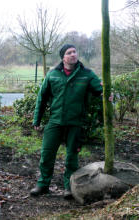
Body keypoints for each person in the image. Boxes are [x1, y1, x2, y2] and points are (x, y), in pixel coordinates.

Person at [30, 44, 103, 199]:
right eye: (69, 53)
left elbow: (99, 91)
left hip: (75, 123)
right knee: (47, 154)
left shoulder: (87, 74)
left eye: (75, 52)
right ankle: (43, 185)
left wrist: (106, 92)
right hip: (55, 121)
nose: (73, 55)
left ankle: (69, 187)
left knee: (72, 157)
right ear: (63, 57)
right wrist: (37, 119)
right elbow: (41, 98)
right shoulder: (53, 74)